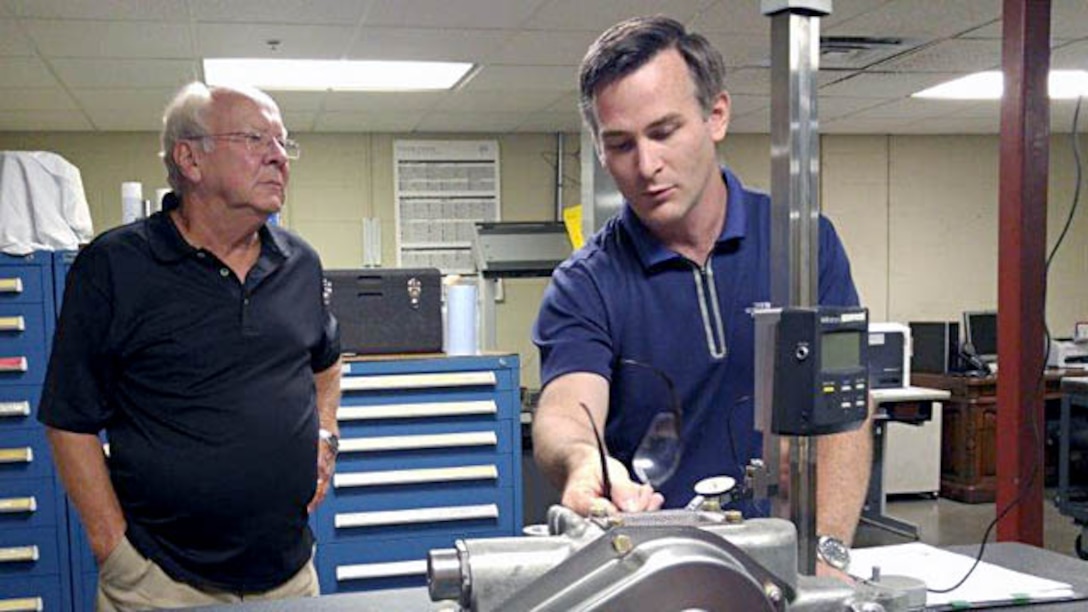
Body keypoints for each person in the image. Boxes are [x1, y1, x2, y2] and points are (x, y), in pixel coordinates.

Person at [531, 15, 871, 567]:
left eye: (664, 132)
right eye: (620, 145)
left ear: (716, 115)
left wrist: (827, 557)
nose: (646, 166)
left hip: (785, 558)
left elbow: (845, 411)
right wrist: (581, 461)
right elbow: (567, 408)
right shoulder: (587, 281)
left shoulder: (802, 243)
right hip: (653, 566)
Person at [38, 82, 342, 609]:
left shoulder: (300, 263)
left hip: (291, 575)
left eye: (282, 143)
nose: (278, 157)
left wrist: (324, 434)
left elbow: (327, 361)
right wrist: (113, 549)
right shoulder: (115, 267)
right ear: (190, 159)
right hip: (162, 584)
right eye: (255, 138)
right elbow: (69, 419)